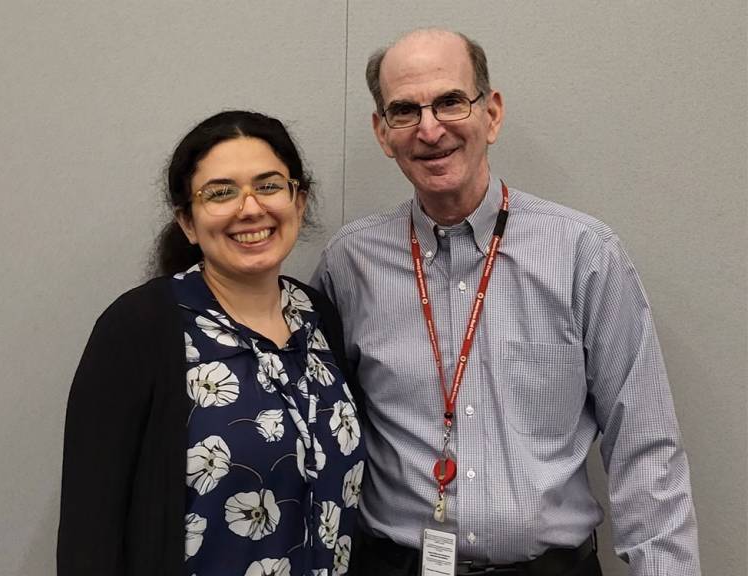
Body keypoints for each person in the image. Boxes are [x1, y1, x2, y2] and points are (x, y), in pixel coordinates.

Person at [312, 28, 700, 576]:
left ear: (491, 114)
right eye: (404, 110)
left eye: (450, 101)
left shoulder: (584, 254)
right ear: (383, 132)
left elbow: (646, 453)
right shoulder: (348, 266)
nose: (430, 129)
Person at [58, 110, 365, 576]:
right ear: (187, 221)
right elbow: (90, 527)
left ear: (298, 202)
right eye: (220, 193)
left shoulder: (319, 317)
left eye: (268, 185)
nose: (250, 208)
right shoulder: (141, 327)